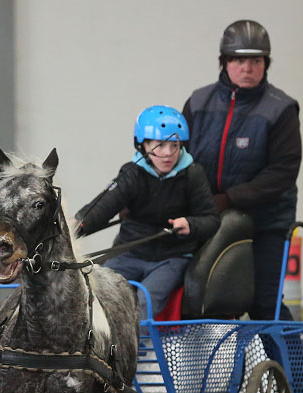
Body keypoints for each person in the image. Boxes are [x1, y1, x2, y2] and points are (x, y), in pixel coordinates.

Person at [181, 19, 301, 320]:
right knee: (202, 298)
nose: (247, 68)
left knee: (265, 305)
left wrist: (230, 198)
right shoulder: (198, 102)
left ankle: (289, 354)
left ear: (266, 64)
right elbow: (177, 158)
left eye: (256, 61)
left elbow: (283, 172)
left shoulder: (281, 109)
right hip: (210, 219)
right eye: (238, 60)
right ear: (224, 62)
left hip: (266, 223)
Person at [74, 105, 219, 318]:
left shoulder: (193, 174)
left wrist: (190, 225)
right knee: (97, 293)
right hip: (130, 252)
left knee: (144, 304)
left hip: (171, 258)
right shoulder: (133, 172)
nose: (168, 153)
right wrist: (76, 224)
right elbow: (104, 205)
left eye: (174, 145)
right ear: (143, 145)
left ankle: (140, 341)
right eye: (160, 145)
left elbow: (212, 219)